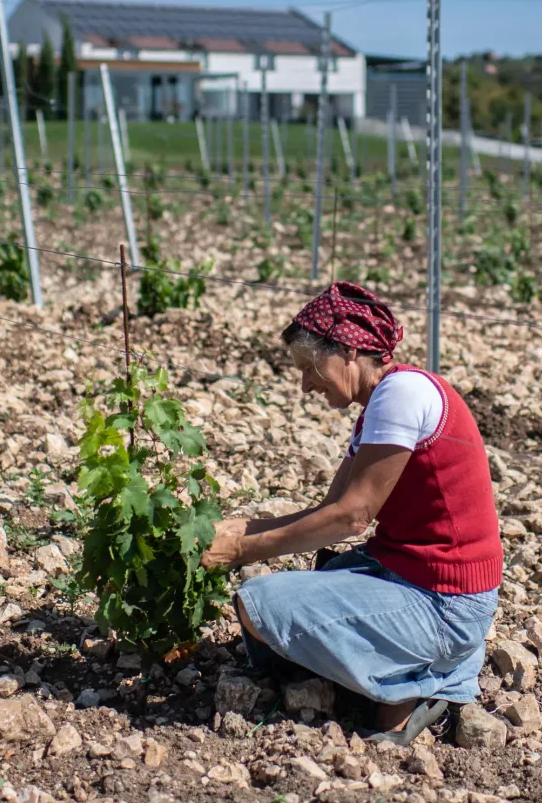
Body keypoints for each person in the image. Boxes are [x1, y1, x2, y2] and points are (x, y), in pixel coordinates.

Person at [201, 281, 502, 745]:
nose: (306, 384)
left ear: (345, 349)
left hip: (445, 601)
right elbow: (328, 511)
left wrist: (241, 550)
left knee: (258, 606)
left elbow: (351, 518)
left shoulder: (400, 395)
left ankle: (417, 684)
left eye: (309, 367)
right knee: (321, 577)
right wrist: (239, 528)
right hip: (423, 580)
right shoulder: (382, 403)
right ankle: (429, 669)